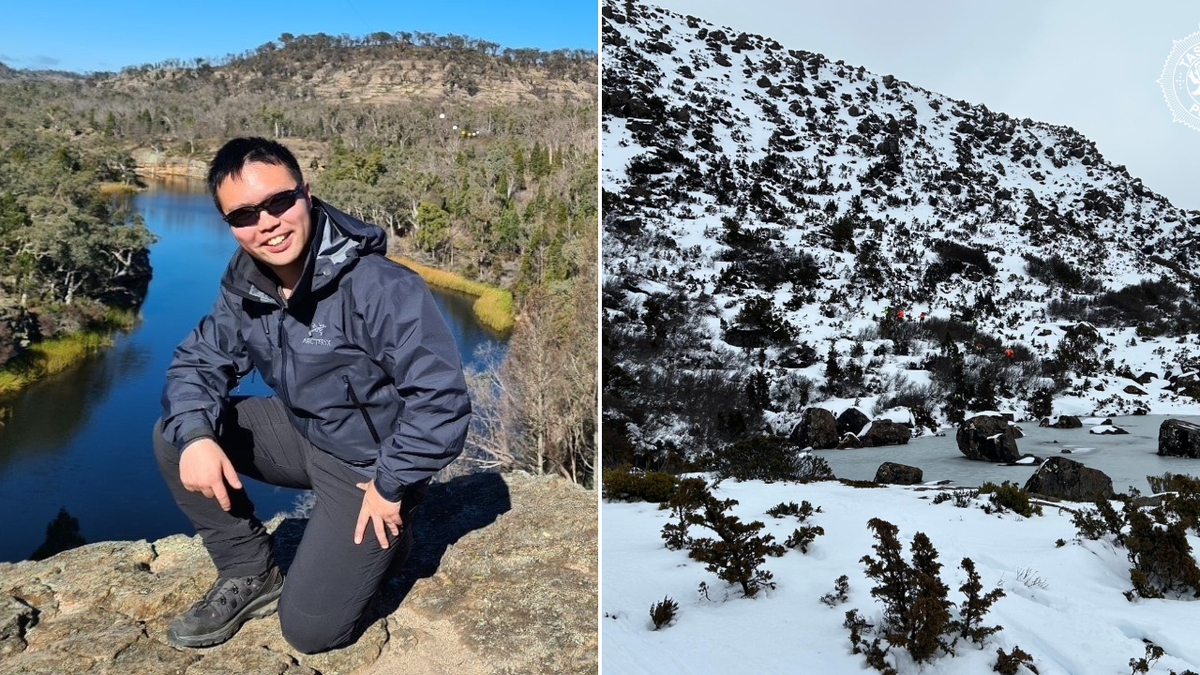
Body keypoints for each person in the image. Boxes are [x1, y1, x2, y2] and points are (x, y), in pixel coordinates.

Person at [152, 137, 471, 653]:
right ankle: (250, 572)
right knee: (176, 436)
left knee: (310, 631)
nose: (267, 223)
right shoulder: (247, 286)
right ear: (229, 224)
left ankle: (392, 536)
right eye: (244, 215)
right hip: (305, 434)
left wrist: (392, 484)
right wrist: (196, 437)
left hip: (372, 467)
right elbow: (199, 361)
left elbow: (441, 401)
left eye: (279, 202)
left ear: (306, 192)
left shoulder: (380, 287)